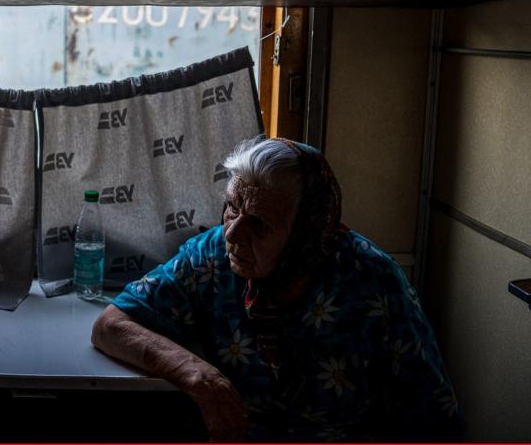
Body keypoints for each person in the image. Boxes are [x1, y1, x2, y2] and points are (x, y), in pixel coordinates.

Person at [91, 137, 464, 441]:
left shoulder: (373, 281)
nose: (233, 234)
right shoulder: (211, 255)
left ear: (304, 236)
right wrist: (195, 373)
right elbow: (111, 325)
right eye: (232, 207)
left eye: (260, 224)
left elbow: (433, 416)